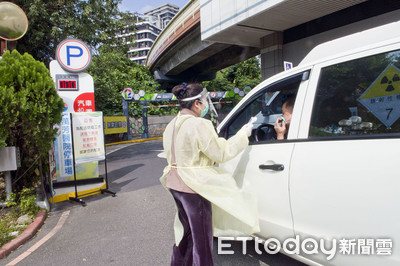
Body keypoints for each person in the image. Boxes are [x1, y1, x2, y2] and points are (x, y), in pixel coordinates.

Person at [160, 82, 259, 266]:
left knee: (185, 233)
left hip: (175, 183)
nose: (206, 105)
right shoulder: (199, 124)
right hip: (193, 186)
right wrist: (243, 135)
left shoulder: (172, 124)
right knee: (202, 240)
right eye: (204, 101)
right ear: (196, 103)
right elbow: (221, 152)